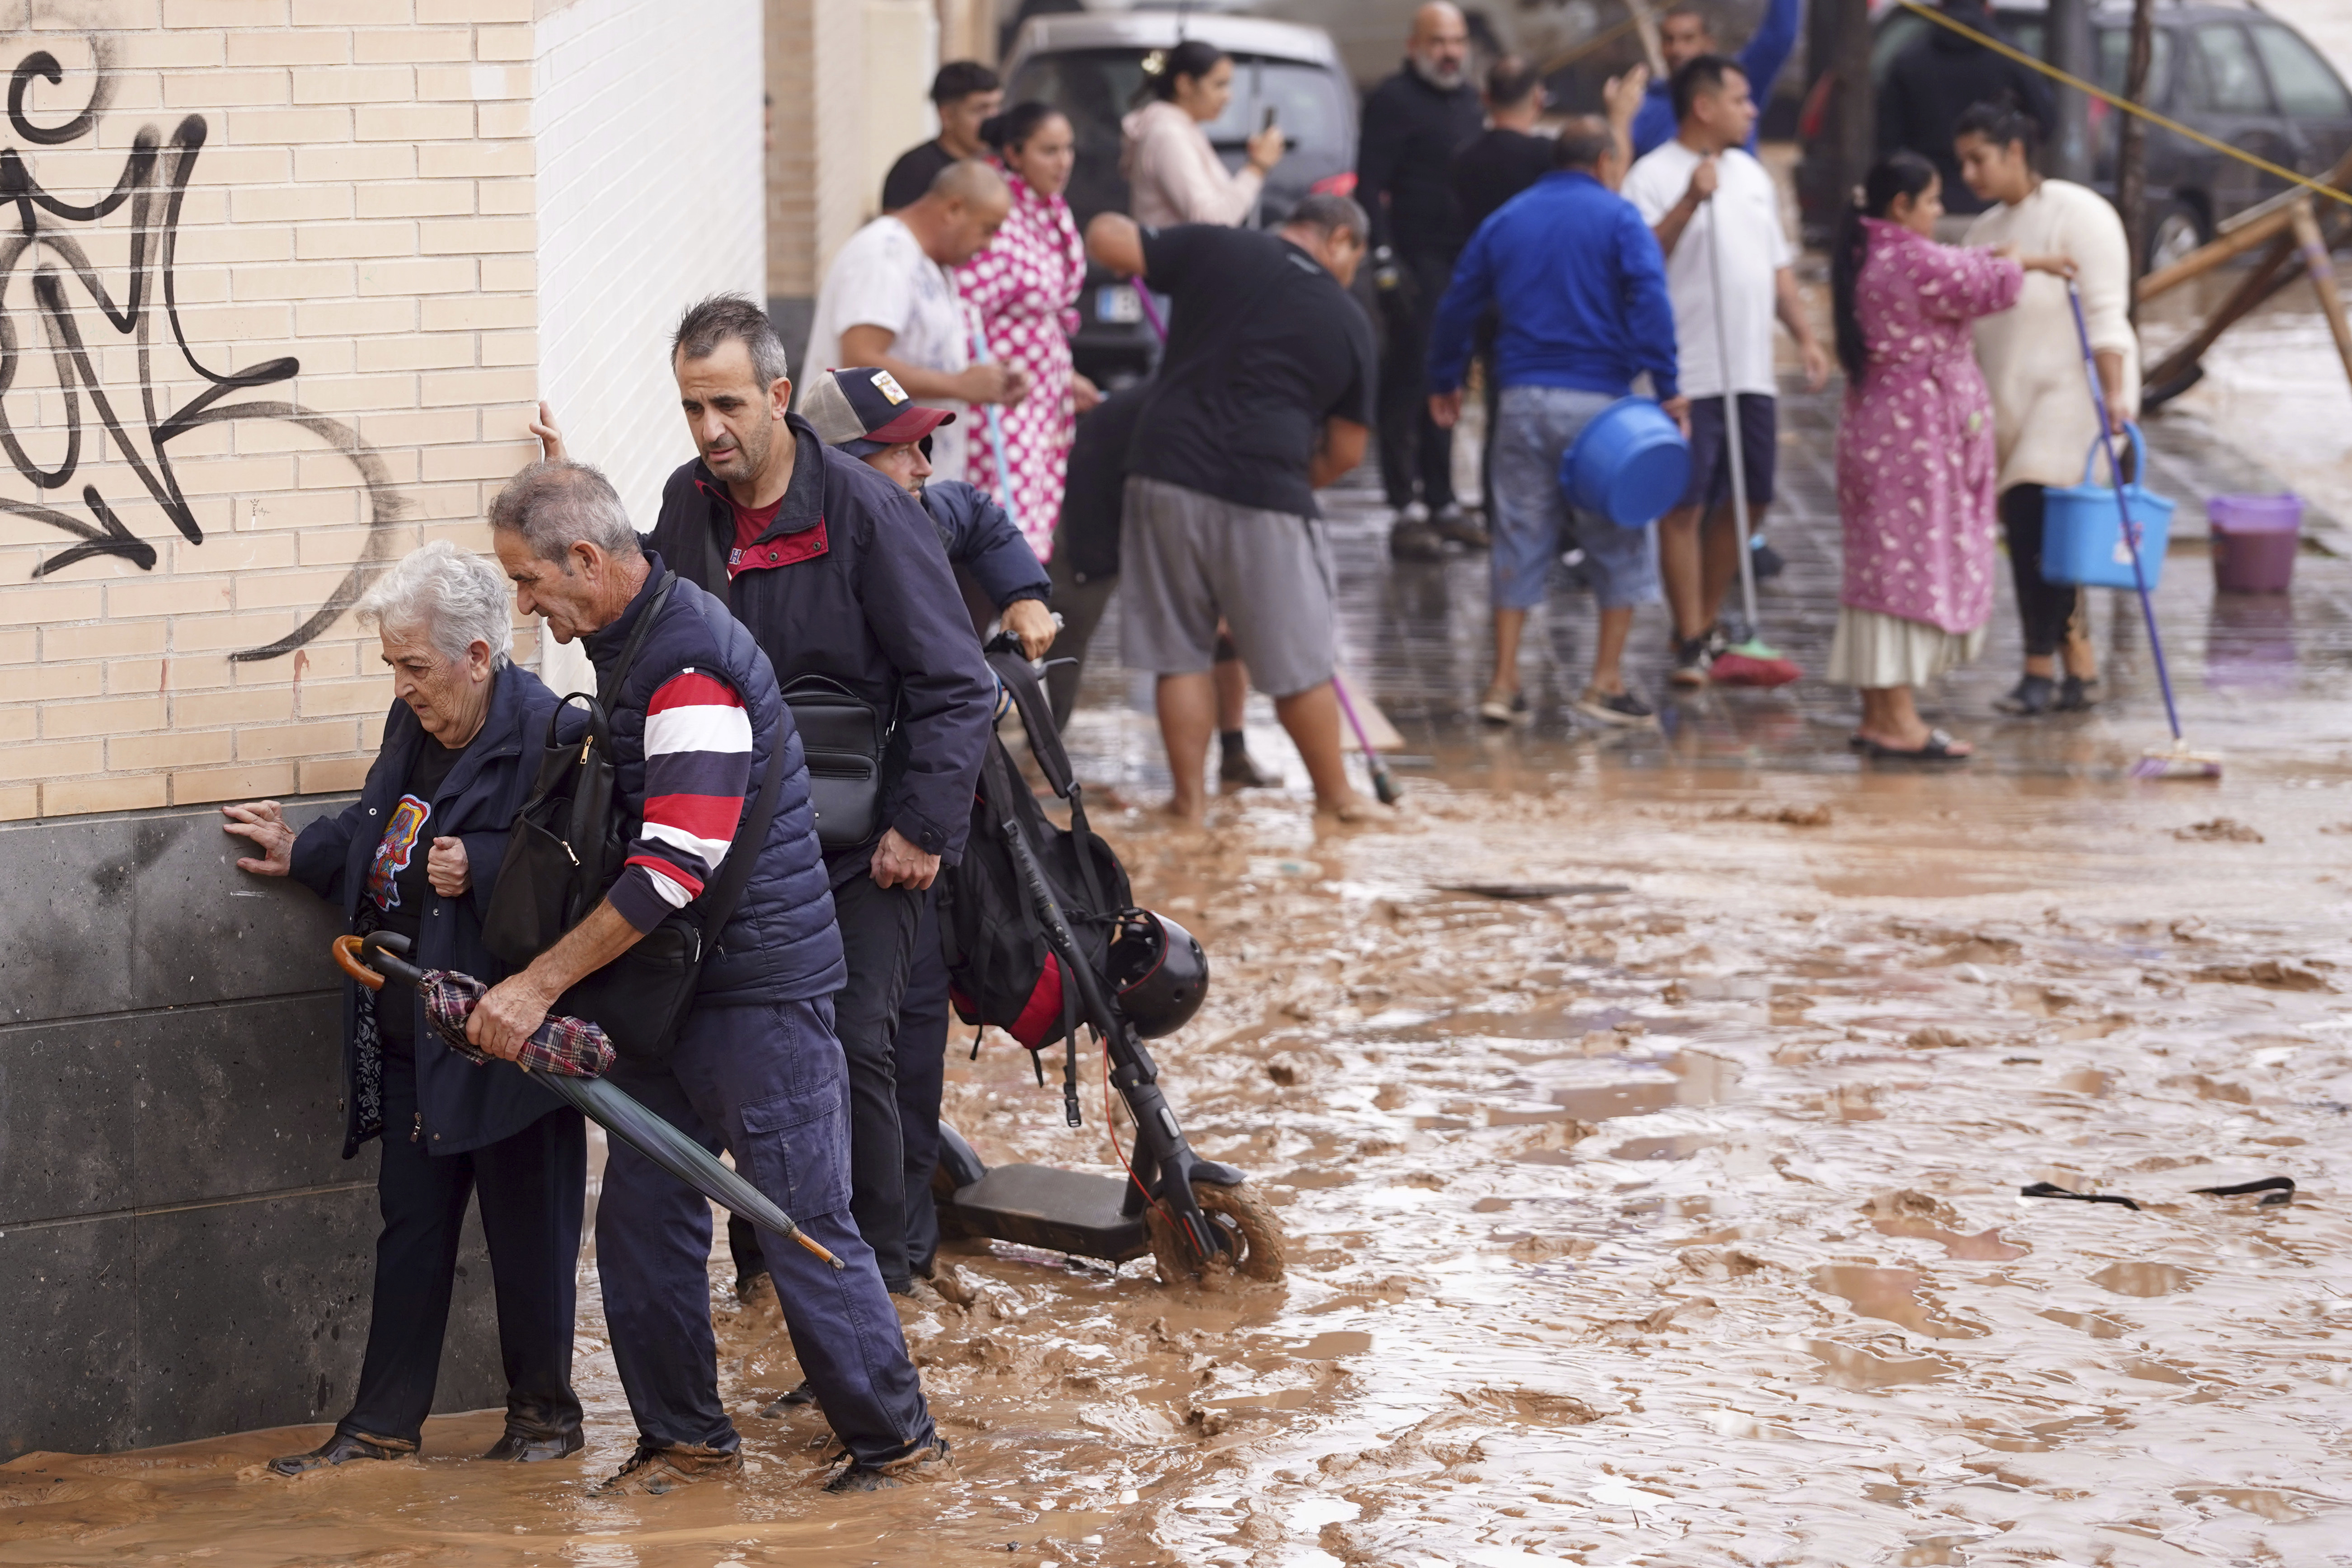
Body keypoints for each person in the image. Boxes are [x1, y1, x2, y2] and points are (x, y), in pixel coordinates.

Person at [473, 460, 945, 1496]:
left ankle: (898, 1450)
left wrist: (536, 985)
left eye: (529, 579)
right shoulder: (632, 639)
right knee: (642, 1226)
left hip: (754, 998)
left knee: (802, 1223)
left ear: (586, 561)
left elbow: (671, 868)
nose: (524, 603)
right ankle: (686, 1443)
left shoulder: (686, 667)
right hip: (676, 999)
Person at [222, 542, 584, 1475]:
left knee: (529, 1236)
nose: (402, 684)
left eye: (415, 666)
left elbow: (595, 872)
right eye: (392, 664)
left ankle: (545, 1423)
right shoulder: (416, 724)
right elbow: (383, 819)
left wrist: (491, 866)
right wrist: (305, 852)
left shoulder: (551, 736)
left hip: (507, 1036)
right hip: (415, 1026)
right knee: (412, 1229)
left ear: (477, 655)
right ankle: (383, 1427)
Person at [1083, 195, 1386, 822]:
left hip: (1163, 471)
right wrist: (1286, 482)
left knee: (1179, 652)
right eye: (1354, 257)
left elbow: (1109, 237)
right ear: (1338, 239)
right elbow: (1347, 453)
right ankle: (1337, 799)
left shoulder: (1222, 247)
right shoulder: (1350, 319)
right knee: (1300, 663)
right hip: (1269, 488)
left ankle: (1187, 803)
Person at [1426, 118, 1685, 730]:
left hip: (1520, 400)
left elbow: (1458, 300)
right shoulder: (1621, 220)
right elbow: (1650, 299)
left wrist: (1444, 379)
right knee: (1616, 537)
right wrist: (1670, 389)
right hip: (1600, 412)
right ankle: (1604, 682)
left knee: (1517, 534)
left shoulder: (1509, 218)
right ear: (1603, 163)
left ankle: (1503, 682)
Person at [1832, 153, 2072, 760]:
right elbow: (1985, 285)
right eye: (1933, 201)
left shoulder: (1871, 251)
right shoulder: (1909, 259)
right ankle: (1899, 719)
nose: (1940, 212)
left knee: (1879, 568)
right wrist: (2019, 264)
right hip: (1911, 439)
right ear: (1901, 208)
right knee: (1909, 568)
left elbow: (1963, 265)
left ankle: (1878, 713)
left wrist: (2028, 259)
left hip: (1879, 428)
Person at [1623, 55, 1830, 690]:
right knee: (1683, 502)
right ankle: (1689, 635)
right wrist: (1689, 200)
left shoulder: (1751, 174)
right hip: (1687, 368)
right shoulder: (1651, 175)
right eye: (1741, 99)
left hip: (1749, 367)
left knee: (1753, 494)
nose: (1753, 110)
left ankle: (1706, 619)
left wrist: (1803, 334)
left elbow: (1775, 267)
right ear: (1704, 106)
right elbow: (1638, 261)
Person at [1957, 99, 2136, 716]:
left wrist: (2114, 395)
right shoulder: (1982, 234)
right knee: (2036, 536)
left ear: (2014, 151)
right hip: (2010, 404)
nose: (1969, 176)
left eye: (1978, 160)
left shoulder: (2080, 214)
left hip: (2077, 397)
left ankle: (2039, 665)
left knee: (2041, 521)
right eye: (1962, 164)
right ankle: (2077, 666)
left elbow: (2108, 311)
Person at [803, 159, 1029, 486]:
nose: (989, 245)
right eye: (988, 229)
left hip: (905, 484)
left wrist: (990, 379)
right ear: (954, 209)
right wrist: (960, 386)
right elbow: (860, 364)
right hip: (870, 487)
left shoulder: (930, 261)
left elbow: (920, 356)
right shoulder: (883, 256)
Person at [1357, 2, 1486, 559]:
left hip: (1464, 263)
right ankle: (1404, 503)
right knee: (1409, 383)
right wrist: (1385, 261)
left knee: (1449, 381)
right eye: (1439, 41)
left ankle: (1443, 499)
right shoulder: (1393, 100)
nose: (1450, 52)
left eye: (1457, 41)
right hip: (1416, 263)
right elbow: (1369, 187)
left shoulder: (1469, 101)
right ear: (1415, 45)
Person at [959, 101, 1096, 559]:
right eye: (1049, 150)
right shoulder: (999, 212)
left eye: (1068, 149)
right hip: (1002, 397)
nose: (1064, 162)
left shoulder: (1049, 209)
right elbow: (964, 307)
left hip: (1042, 397)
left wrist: (1063, 374)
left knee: (1033, 512)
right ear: (1015, 154)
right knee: (1002, 520)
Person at [1043, 382, 1152, 730]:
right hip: (1080, 532)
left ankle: (1043, 749)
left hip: (1086, 522)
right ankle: (1043, 752)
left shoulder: (1157, 399)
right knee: (1062, 638)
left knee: (1062, 639)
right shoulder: (1167, 405)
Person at [1878, 0, 2052, 217]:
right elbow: (2046, 121)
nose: (1968, 174)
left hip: (1931, 207)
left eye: (1977, 159)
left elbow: (1888, 142)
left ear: (1941, 8)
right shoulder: (2011, 56)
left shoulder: (1907, 60)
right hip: (1999, 205)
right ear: (1988, 8)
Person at [1120, 38, 1287, 229]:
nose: (1228, 96)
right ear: (1185, 85)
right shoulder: (1168, 134)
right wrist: (1257, 167)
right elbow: (1210, 221)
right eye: (1219, 85)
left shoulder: (1183, 127)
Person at [1630, 0, 1803, 158]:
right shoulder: (1644, 106)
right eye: (1669, 40)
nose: (1677, 49)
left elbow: (1779, 36)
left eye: (1688, 39)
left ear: (1709, 43)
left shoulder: (1735, 81)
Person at [882, 61, 1002, 213]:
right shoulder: (915, 169)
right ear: (947, 117)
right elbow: (895, 232)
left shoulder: (995, 163)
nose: (993, 119)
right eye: (981, 110)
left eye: (997, 107)